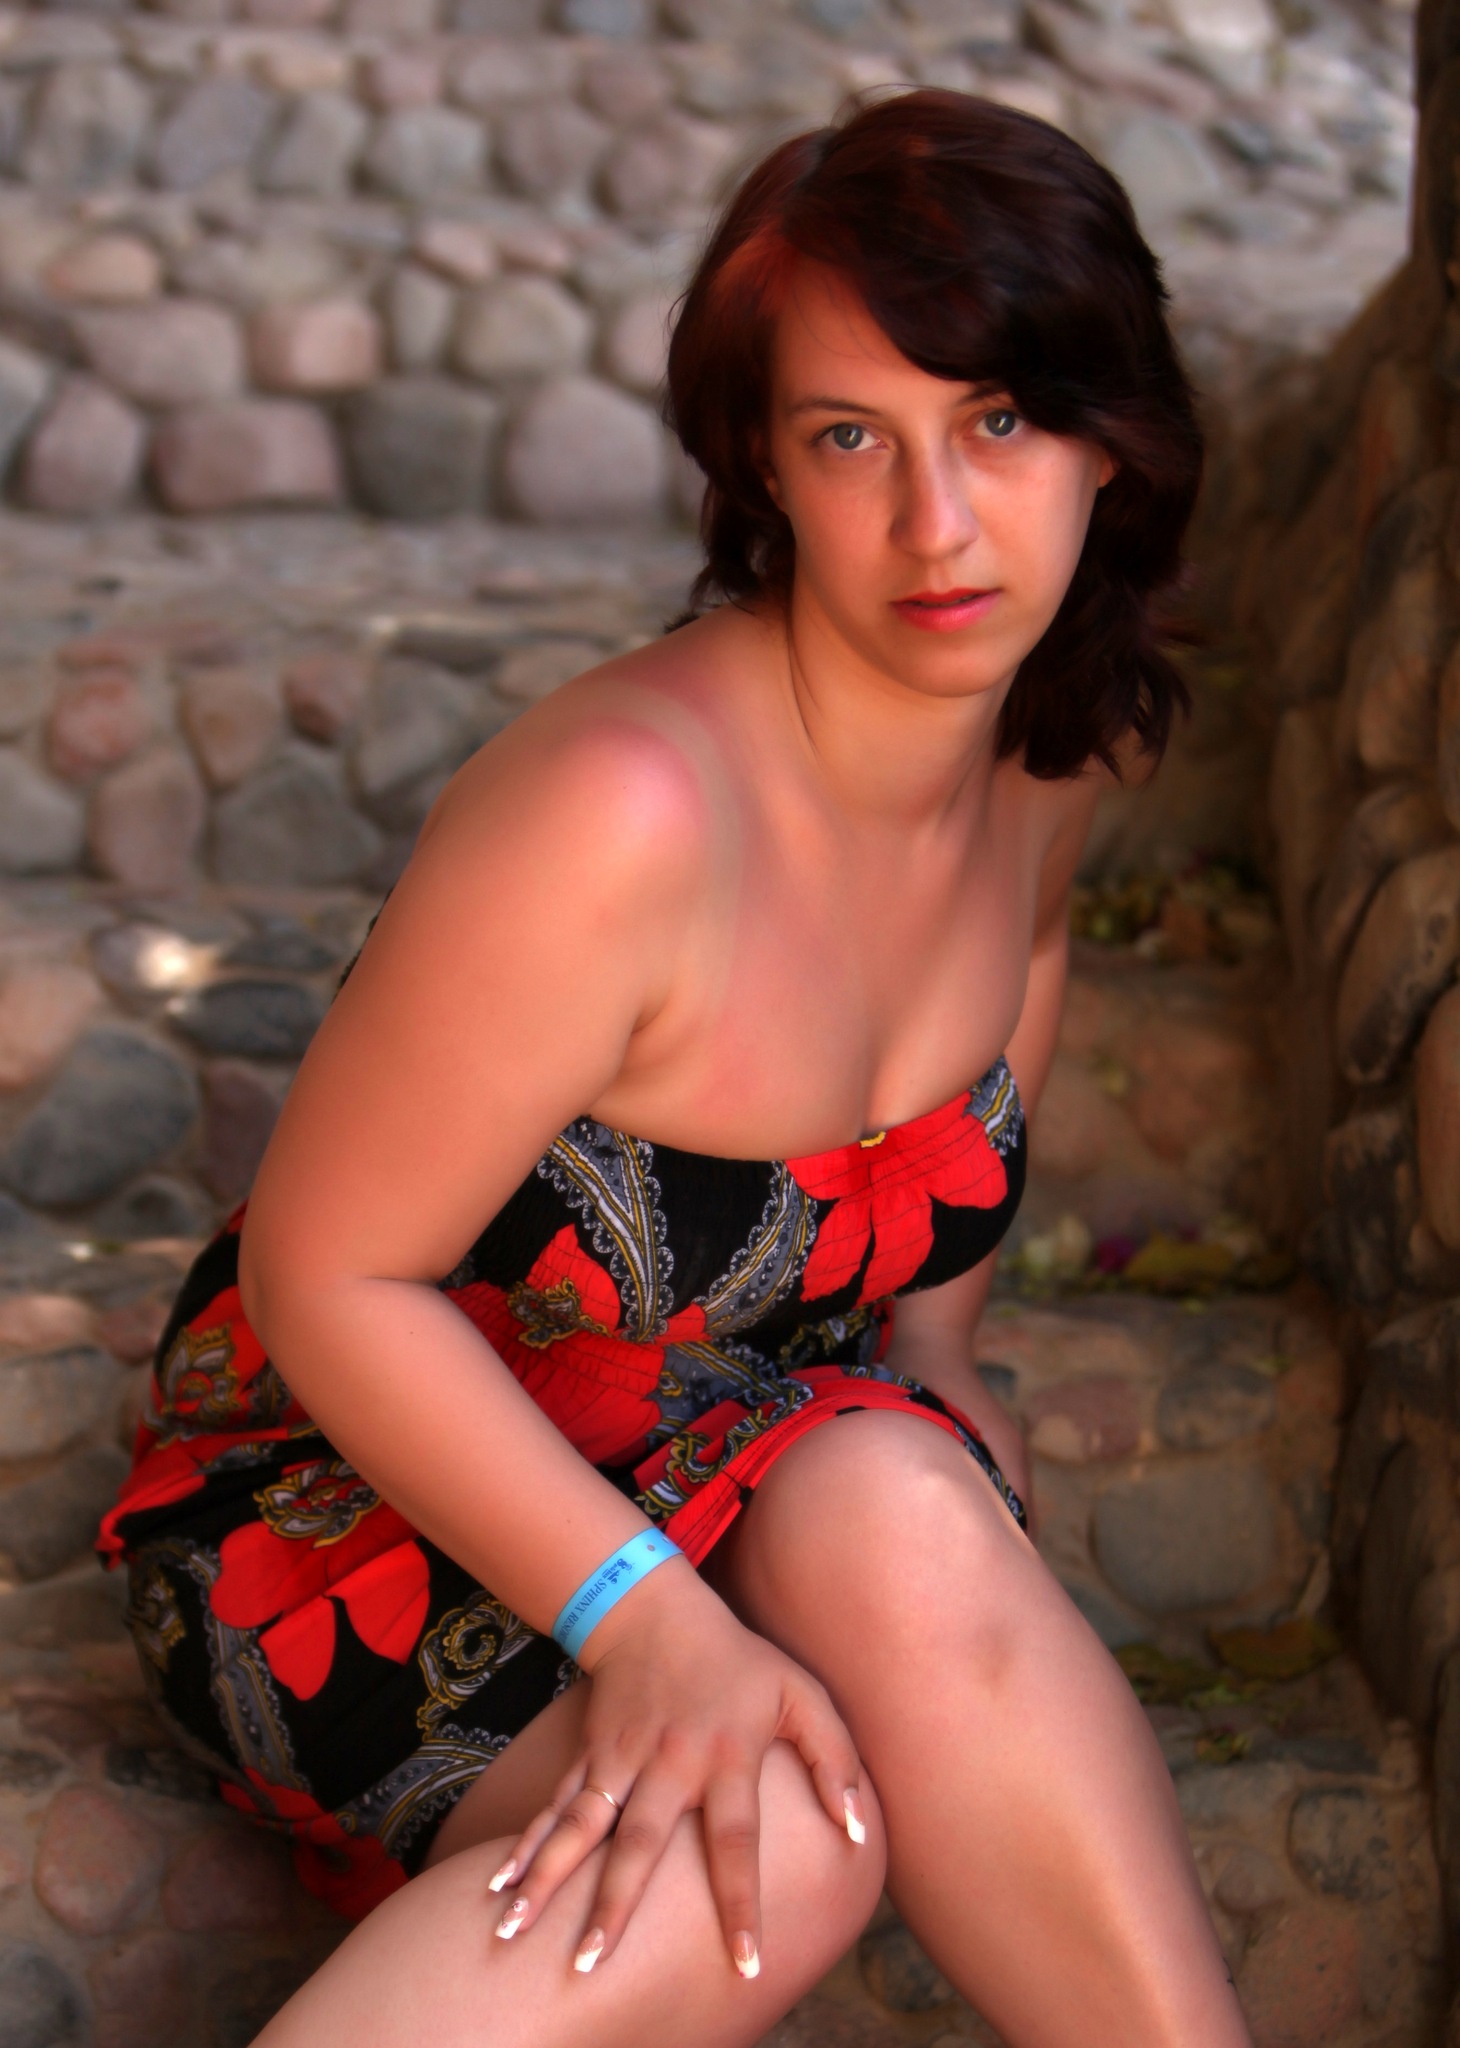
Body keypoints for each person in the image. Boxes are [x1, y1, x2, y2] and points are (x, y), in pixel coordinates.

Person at [99, 87, 1252, 2048]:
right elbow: (327, 1277)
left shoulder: (1048, 750)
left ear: (1107, 439)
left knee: (903, 1493)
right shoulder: (618, 813)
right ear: (765, 471)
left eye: (996, 421)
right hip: (371, 1499)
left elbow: (1025, 967)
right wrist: (645, 1623)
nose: (937, 524)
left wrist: (942, 1346)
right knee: (779, 1832)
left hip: (735, 1423)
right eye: (850, 437)